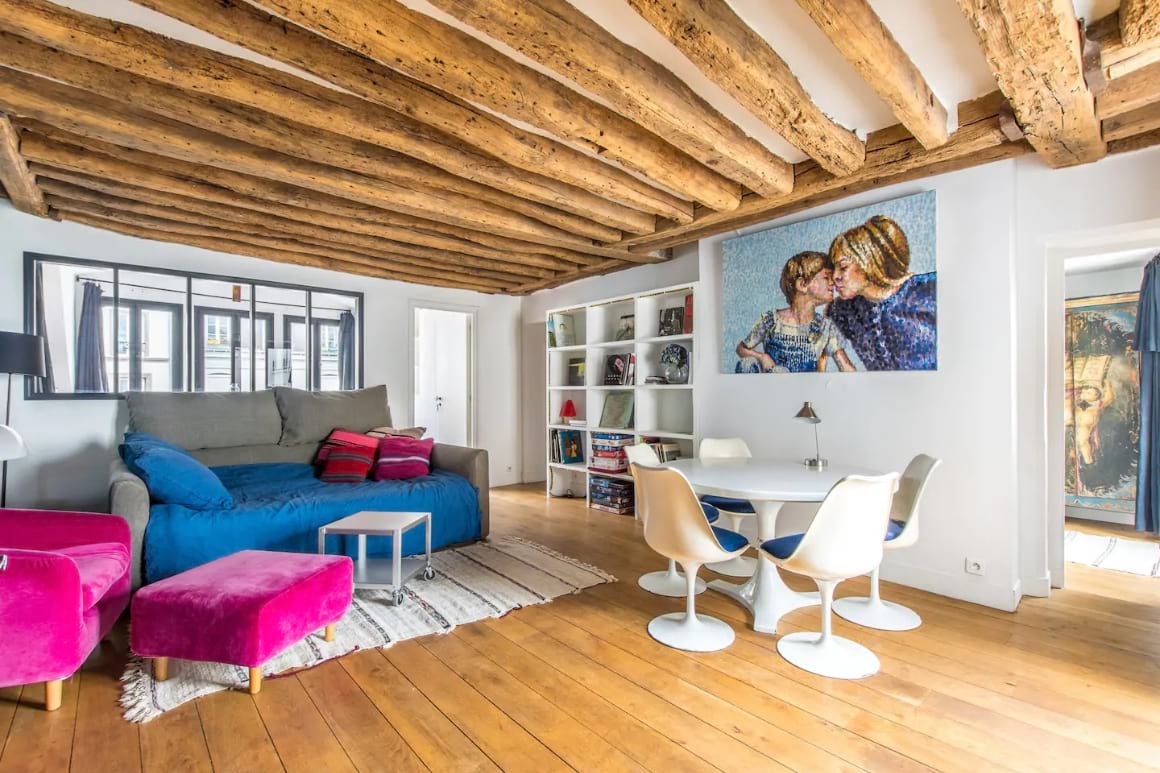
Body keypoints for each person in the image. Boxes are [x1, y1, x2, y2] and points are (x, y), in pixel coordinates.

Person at [827, 215, 937, 370]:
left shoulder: (927, 290)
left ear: (869, 263)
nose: (835, 276)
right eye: (834, 268)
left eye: (843, 267)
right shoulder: (843, 311)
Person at [735, 251, 856, 373]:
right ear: (802, 284)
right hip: (773, 387)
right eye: (826, 278)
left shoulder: (825, 327)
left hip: (805, 389)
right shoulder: (770, 321)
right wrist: (762, 357)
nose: (832, 282)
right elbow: (741, 348)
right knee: (747, 364)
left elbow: (846, 367)